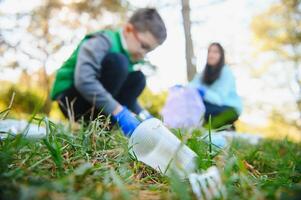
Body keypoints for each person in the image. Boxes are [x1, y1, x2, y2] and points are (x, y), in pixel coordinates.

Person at [50, 8, 167, 136]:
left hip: (94, 103)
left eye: (149, 51)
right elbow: (84, 80)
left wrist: (144, 116)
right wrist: (118, 111)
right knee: (119, 62)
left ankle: (103, 127)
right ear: (128, 30)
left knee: (138, 79)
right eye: (144, 46)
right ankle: (101, 120)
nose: (144, 54)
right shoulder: (102, 40)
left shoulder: (129, 57)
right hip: (71, 99)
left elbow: (128, 97)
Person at [189, 43, 242, 129]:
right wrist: (183, 89)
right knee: (192, 105)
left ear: (221, 55)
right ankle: (221, 128)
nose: (211, 54)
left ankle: (227, 128)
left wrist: (203, 92)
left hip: (229, 109)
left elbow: (219, 99)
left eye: (215, 52)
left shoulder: (226, 72)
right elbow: (192, 84)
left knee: (199, 108)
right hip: (212, 107)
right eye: (209, 51)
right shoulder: (204, 73)